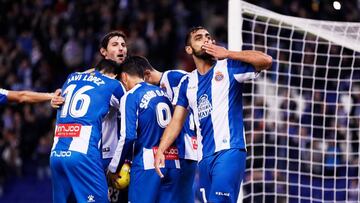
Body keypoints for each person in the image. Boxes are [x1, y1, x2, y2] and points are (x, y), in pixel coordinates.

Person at [154, 26, 272, 203]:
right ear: (189, 49)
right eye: (199, 38)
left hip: (230, 151)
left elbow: (266, 60)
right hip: (204, 158)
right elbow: (176, 122)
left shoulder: (229, 67)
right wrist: (161, 150)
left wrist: (229, 53)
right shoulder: (187, 82)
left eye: (208, 37)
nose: (206, 40)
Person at [51, 30, 129, 203]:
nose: (121, 48)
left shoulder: (77, 77)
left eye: (123, 45)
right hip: (92, 155)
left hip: (113, 156)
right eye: (115, 45)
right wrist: (55, 98)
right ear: (103, 52)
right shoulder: (110, 82)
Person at [108, 56, 180, 203]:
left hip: (148, 164)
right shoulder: (163, 94)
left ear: (124, 77)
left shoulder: (131, 96)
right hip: (173, 162)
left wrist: (114, 167)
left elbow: (128, 136)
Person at [142, 58, 198, 203]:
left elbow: (194, 82)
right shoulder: (161, 88)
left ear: (146, 74)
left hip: (185, 148)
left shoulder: (173, 76)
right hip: (182, 150)